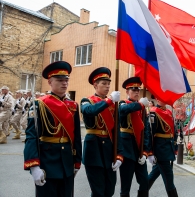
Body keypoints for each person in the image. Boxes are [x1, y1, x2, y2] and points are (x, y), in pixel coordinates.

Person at [23, 61, 82, 197]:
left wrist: (77, 161)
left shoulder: (72, 105)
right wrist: (34, 166)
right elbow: (32, 136)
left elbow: (76, 136)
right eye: (60, 80)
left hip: (67, 162)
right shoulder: (39, 104)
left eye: (66, 80)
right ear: (50, 82)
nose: (64, 83)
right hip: (47, 162)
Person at [81, 67, 123, 197]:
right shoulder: (86, 101)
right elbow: (89, 111)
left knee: (109, 191)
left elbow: (117, 130)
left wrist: (119, 155)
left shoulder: (113, 105)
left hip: (109, 150)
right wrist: (109, 100)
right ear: (95, 85)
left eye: (108, 83)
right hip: (94, 151)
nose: (107, 86)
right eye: (103, 83)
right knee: (98, 191)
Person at [118, 77, 151, 197]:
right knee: (126, 185)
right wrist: (141, 105)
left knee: (145, 182)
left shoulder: (142, 108)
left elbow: (146, 131)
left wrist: (146, 151)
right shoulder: (122, 103)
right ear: (127, 92)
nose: (137, 92)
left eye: (138, 90)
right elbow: (125, 109)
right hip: (127, 150)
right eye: (133, 90)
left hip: (139, 149)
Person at [147, 97, 178, 196]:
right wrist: (150, 152)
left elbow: (174, 131)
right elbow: (150, 134)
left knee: (154, 173)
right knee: (169, 176)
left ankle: (142, 192)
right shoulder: (153, 112)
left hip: (168, 147)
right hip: (160, 149)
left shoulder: (168, 112)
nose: (161, 99)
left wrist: (175, 147)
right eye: (158, 98)